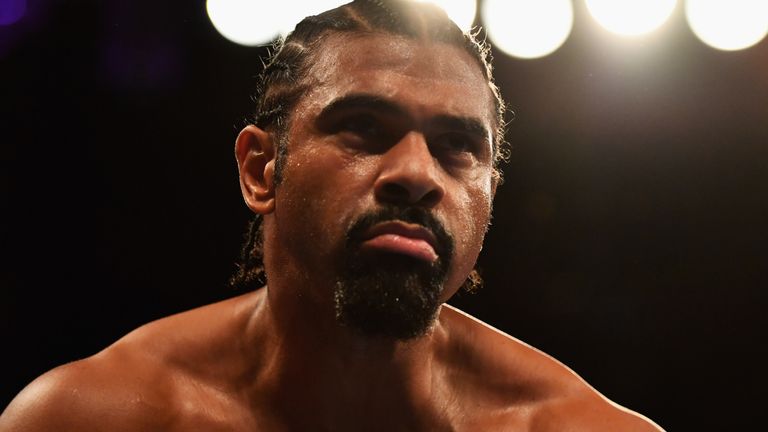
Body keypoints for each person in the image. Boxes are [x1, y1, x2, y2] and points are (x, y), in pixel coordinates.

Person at [1, 1, 664, 430]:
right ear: (262, 169)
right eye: (365, 127)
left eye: (458, 147)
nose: (415, 174)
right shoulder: (94, 418)